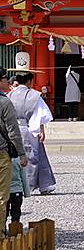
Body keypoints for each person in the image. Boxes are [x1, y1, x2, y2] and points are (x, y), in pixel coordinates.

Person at [7, 55, 55, 195]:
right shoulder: (35, 95)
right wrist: (41, 130)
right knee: (35, 157)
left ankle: (17, 185)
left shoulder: (9, 95)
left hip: (14, 129)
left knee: (15, 158)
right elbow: (41, 115)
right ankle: (38, 185)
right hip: (29, 129)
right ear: (29, 80)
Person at [0, 67, 27, 235]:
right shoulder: (4, 102)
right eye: (4, 78)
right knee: (2, 196)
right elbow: (13, 131)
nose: (7, 81)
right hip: (1, 153)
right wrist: (22, 153)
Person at [6, 152, 31, 228]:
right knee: (16, 211)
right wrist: (27, 193)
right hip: (17, 190)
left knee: (4, 212)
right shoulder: (19, 160)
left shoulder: (3, 160)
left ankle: (2, 230)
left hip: (4, 190)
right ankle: (15, 229)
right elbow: (24, 177)